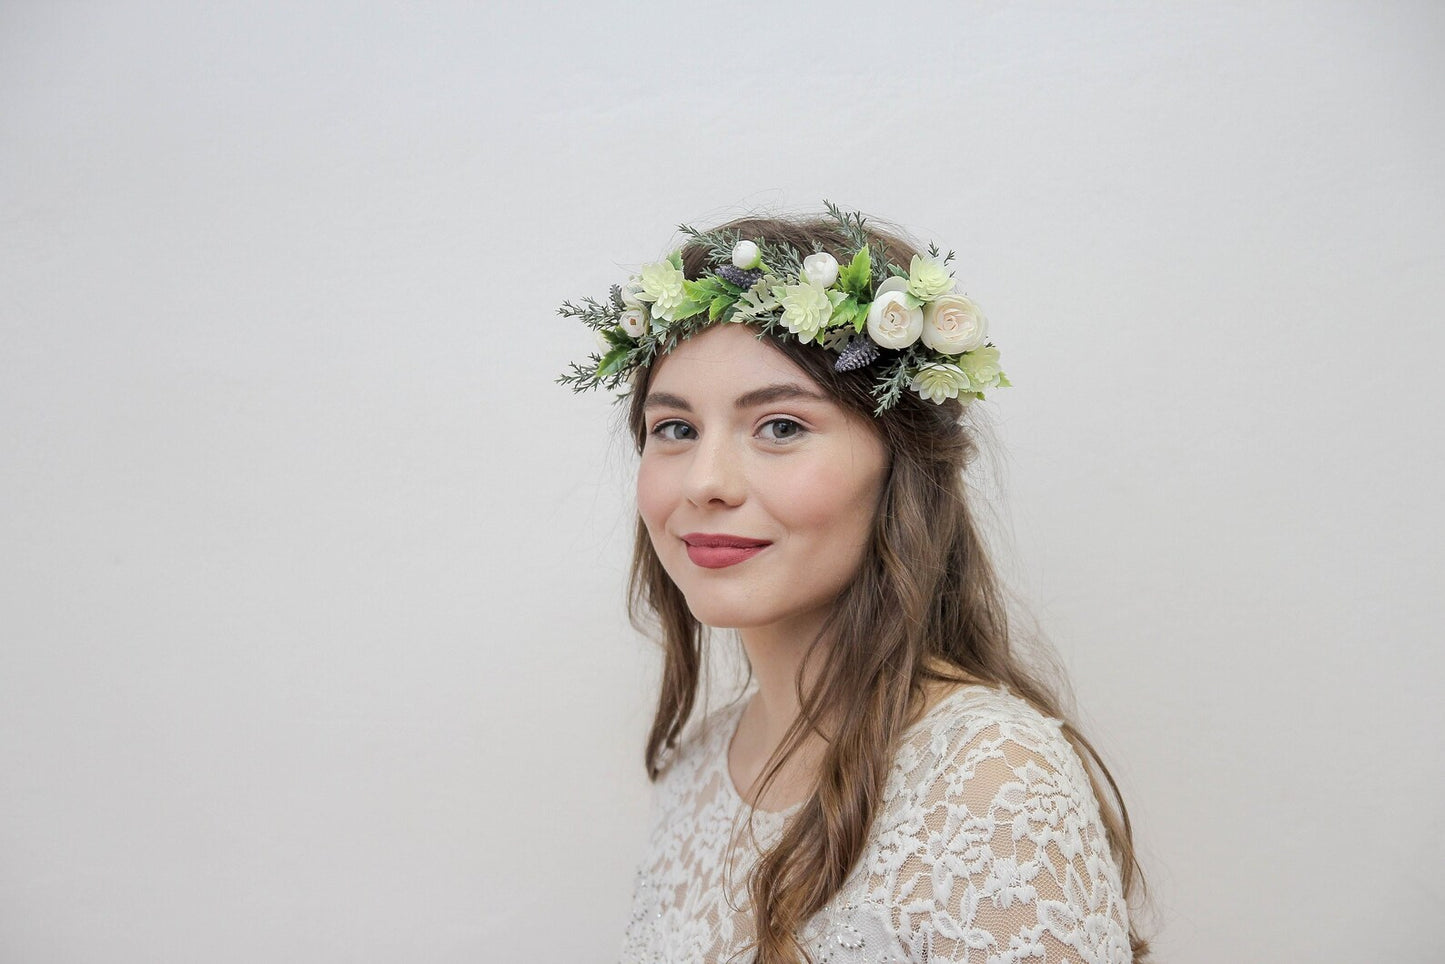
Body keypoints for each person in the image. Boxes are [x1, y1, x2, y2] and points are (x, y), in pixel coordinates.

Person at [558, 202, 1151, 963]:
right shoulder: (700, 765)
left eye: (780, 427)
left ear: (900, 466)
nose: (704, 482)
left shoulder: (990, 779)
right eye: (674, 428)